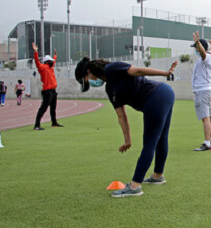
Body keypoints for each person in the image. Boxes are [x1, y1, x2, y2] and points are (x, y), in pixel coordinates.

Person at [74, 57, 178, 198]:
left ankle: (135, 186)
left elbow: (138, 70)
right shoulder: (110, 89)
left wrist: (165, 73)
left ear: (89, 72)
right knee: (160, 139)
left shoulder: (111, 68)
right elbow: (121, 116)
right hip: (162, 95)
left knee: (150, 141)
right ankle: (157, 175)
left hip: (156, 95)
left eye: (86, 79)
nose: (89, 82)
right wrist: (127, 140)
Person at [191, 32, 211, 151]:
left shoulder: (205, 58)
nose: (195, 49)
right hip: (207, 90)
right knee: (210, 116)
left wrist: (198, 43)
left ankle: (207, 144)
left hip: (202, 91)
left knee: (205, 118)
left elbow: (202, 53)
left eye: (196, 47)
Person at [32, 43, 62, 130]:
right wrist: (36, 52)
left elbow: (54, 60)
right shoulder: (43, 67)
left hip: (53, 90)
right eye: (50, 61)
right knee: (43, 108)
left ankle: (54, 122)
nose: (52, 62)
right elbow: (37, 62)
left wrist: (55, 55)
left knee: (53, 108)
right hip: (47, 91)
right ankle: (37, 125)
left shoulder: (51, 67)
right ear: (46, 62)